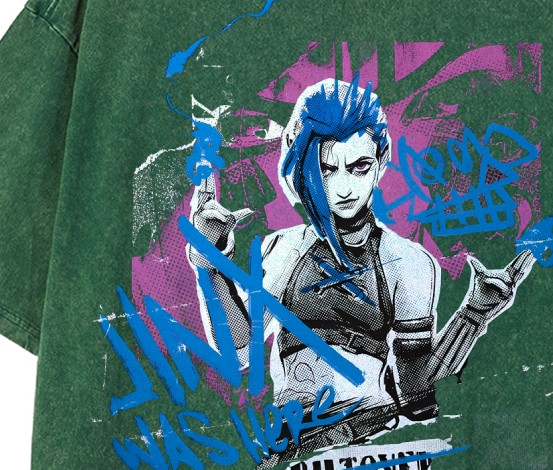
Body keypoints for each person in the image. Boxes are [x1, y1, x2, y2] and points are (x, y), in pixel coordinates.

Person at [189, 76, 534, 432]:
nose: (343, 188)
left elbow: (417, 396)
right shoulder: (285, 250)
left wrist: (474, 315)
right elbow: (238, 354)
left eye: (360, 167)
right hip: (294, 444)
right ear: (303, 166)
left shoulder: (408, 263)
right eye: (326, 169)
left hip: (372, 436)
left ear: (381, 160)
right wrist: (209, 260)